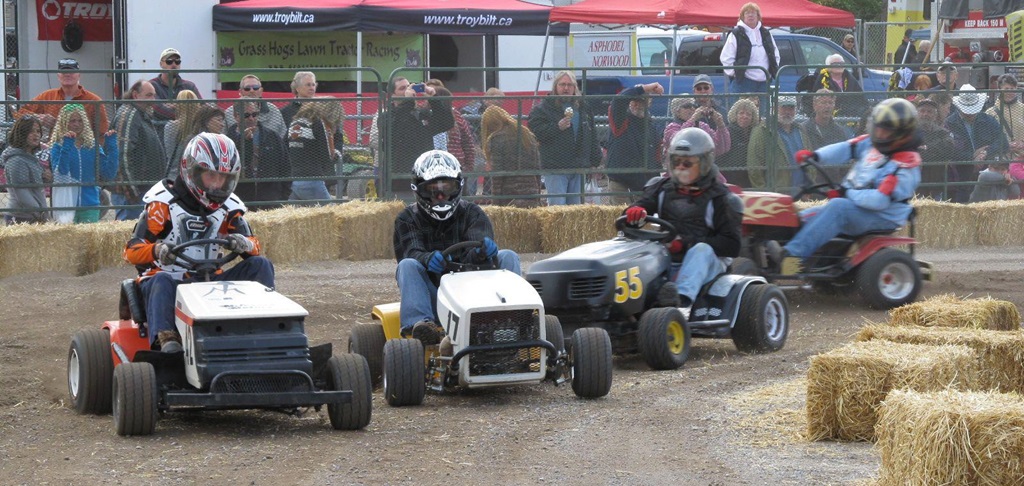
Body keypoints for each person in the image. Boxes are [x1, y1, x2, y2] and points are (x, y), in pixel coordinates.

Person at [123, 133, 275, 352]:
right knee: (162, 280)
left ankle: (266, 328)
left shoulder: (230, 208)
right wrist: (156, 250)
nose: (217, 184)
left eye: (223, 178)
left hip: (212, 282)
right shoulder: (162, 204)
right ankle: (166, 342)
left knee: (261, 265)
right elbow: (131, 251)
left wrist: (243, 243)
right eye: (211, 176)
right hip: (169, 282)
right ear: (191, 170)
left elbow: (255, 246)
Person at [766, 98, 922, 274]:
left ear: (901, 134)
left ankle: (791, 259)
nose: (878, 133)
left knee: (837, 207)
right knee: (806, 216)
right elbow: (845, 148)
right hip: (856, 205)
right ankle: (772, 249)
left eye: (884, 130)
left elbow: (879, 200)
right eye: (876, 127)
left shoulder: (904, 167)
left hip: (882, 215)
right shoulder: (872, 143)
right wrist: (816, 156)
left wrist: (847, 193)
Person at [392, 149, 521, 344]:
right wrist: (427, 259)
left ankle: (515, 318)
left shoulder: (473, 213)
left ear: (458, 187)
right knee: (408, 265)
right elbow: (411, 252)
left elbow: (477, 244)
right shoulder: (407, 218)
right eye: (433, 190)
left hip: (476, 291)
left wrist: (481, 252)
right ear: (418, 189)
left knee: (508, 256)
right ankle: (420, 326)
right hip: (435, 294)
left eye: (447, 189)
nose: (441, 197)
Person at [622, 128, 742, 308]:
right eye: (676, 162)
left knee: (701, 250)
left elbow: (732, 245)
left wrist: (687, 243)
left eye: (687, 163)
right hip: (669, 255)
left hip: (709, 262)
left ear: (704, 163)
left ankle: (681, 302)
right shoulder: (661, 188)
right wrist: (634, 212)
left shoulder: (721, 198)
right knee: (637, 244)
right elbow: (642, 206)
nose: (680, 168)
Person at [528, 70, 602, 205]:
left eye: (569, 85)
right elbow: (535, 131)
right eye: (562, 84)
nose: (566, 88)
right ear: (555, 86)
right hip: (556, 168)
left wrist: (595, 161)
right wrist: (557, 127)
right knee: (558, 209)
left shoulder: (584, 107)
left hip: (578, 167)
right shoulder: (544, 108)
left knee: (574, 212)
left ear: (575, 88)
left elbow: (592, 135)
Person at [376, 80, 454, 198]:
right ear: (393, 95)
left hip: (423, 177)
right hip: (398, 179)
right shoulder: (386, 116)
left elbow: (447, 122)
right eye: (402, 88)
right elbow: (395, 128)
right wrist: (407, 103)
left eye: (409, 86)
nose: (408, 90)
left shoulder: (421, 114)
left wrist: (434, 98)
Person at [48, 104, 118, 223]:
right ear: (64, 123)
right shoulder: (57, 146)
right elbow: (61, 172)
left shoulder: (92, 146)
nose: (77, 124)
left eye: (80, 121)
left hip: (90, 204)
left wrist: (112, 146)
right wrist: (67, 146)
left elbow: (109, 173)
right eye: (72, 121)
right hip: (67, 204)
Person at [15, 58, 110, 139]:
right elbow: (20, 113)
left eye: (71, 71)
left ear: (79, 75)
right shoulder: (47, 96)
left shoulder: (93, 100)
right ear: (58, 75)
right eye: (64, 71)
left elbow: (102, 133)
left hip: (83, 150)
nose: (67, 74)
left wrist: (96, 155)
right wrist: (38, 118)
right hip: (55, 148)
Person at [113, 79, 166, 221]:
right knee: (130, 233)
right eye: (148, 95)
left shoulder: (140, 114)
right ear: (135, 95)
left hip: (142, 189)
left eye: (154, 96)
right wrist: (131, 190)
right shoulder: (129, 114)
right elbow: (122, 153)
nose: (153, 99)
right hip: (131, 193)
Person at [946, 84, 1008, 202]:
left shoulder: (988, 120)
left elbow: (1003, 142)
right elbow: (948, 151)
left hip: (988, 173)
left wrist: (985, 153)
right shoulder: (949, 123)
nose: (970, 114)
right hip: (961, 177)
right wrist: (972, 157)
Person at [605, 82, 664, 204]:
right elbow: (618, 100)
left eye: (643, 101)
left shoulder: (651, 127)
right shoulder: (621, 120)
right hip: (621, 183)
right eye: (635, 100)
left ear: (649, 103)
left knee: (643, 221)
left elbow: (656, 160)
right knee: (620, 217)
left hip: (642, 186)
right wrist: (645, 88)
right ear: (630, 102)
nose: (638, 104)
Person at [719, 2, 780, 115]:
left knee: (763, 117)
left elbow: (775, 53)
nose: (750, 15)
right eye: (747, 13)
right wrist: (736, 73)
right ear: (742, 17)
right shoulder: (736, 34)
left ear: (758, 16)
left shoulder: (766, 33)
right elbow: (726, 57)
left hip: (764, 82)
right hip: (743, 82)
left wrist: (771, 72)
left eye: (753, 13)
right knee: (740, 116)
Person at [227, 100, 291, 207]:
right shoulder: (228, 139)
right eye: (246, 115)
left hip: (270, 199)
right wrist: (242, 142)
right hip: (240, 200)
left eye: (255, 114)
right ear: (236, 116)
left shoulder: (272, 136)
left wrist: (283, 197)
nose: (251, 118)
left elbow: (285, 166)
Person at [481, 105, 543, 207]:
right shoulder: (526, 134)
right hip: (531, 192)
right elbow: (537, 167)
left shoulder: (496, 139)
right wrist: (538, 194)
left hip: (508, 196)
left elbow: (498, 174)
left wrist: (496, 203)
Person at [287, 97, 344, 203]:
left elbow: (286, 147)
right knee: (331, 215)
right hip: (313, 178)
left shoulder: (295, 122)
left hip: (294, 178)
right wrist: (335, 154)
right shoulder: (319, 123)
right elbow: (326, 154)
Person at [748, 96, 805, 190]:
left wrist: (809, 186)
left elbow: (810, 160)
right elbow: (754, 166)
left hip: (801, 192)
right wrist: (763, 194)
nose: (787, 112)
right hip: (776, 193)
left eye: (791, 108)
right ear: (774, 109)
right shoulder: (762, 130)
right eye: (783, 107)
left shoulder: (801, 130)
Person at [3, 116, 50, 224]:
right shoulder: (16, 160)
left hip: (34, 216)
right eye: (31, 131)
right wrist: (40, 214)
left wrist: (45, 178)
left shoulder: (31, 157)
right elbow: (21, 193)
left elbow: (34, 185)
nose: (36, 135)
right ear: (21, 134)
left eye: (38, 131)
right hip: (20, 218)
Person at [663, 96, 730, 161]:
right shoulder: (671, 127)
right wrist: (693, 119)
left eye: (694, 106)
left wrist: (721, 126)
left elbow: (722, 149)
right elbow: (677, 141)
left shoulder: (703, 126)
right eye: (687, 106)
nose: (692, 108)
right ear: (677, 112)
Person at [915, 98, 957, 200]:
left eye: (929, 112)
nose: (925, 114)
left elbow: (949, 149)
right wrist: (934, 151)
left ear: (935, 115)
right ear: (917, 113)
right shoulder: (909, 131)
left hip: (935, 183)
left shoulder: (942, 132)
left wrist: (926, 148)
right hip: (914, 184)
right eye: (922, 111)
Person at [224, 74, 287, 139]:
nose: (252, 91)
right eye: (247, 88)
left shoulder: (273, 110)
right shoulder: (229, 113)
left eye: (256, 88)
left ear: (261, 90)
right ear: (240, 91)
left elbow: (283, 136)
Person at [149, 48, 202, 125]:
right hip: (160, 131)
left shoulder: (189, 86)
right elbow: (157, 110)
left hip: (187, 130)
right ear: (161, 64)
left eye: (177, 61)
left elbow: (201, 107)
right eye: (169, 61)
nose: (174, 65)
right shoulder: (152, 85)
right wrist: (186, 110)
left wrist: (176, 107)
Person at [720, 98, 758, 187]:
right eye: (741, 113)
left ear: (753, 117)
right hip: (730, 176)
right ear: (735, 115)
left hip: (750, 176)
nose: (744, 116)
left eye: (748, 114)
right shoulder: (727, 131)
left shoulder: (754, 133)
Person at [162, 90, 200, 178]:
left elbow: (169, 153)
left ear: (178, 105)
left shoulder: (171, 126)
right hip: (195, 175)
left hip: (174, 175)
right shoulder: (200, 128)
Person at [985, 74, 1024, 156]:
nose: (1009, 92)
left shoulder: (1022, 109)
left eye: (1012, 89)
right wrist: (1005, 146)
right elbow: (986, 139)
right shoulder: (990, 113)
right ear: (999, 89)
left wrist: (1022, 143)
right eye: (1006, 89)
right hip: (999, 161)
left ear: (1016, 88)